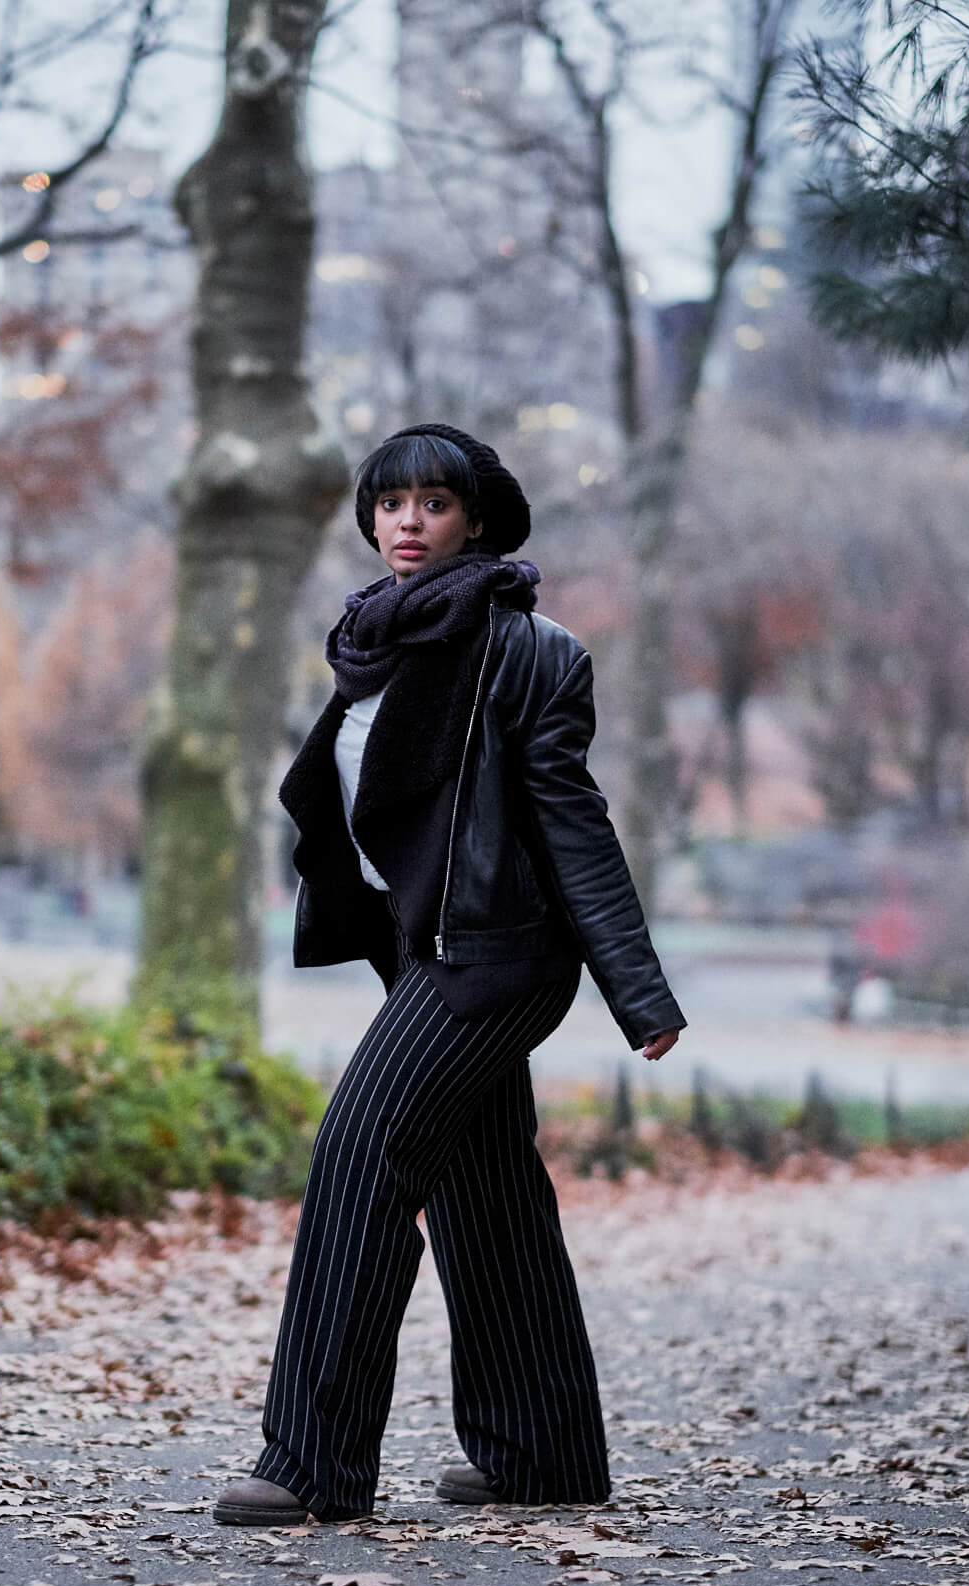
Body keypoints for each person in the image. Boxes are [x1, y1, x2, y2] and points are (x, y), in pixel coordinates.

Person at [214, 424, 685, 1527]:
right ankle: (542, 1454)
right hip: (421, 946)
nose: (406, 522)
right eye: (389, 504)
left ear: (476, 518)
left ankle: (312, 1463)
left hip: (496, 955)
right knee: (484, 1185)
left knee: (361, 1150)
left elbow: (576, 828)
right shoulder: (372, 638)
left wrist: (638, 991)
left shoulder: (529, 651)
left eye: (432, 503)